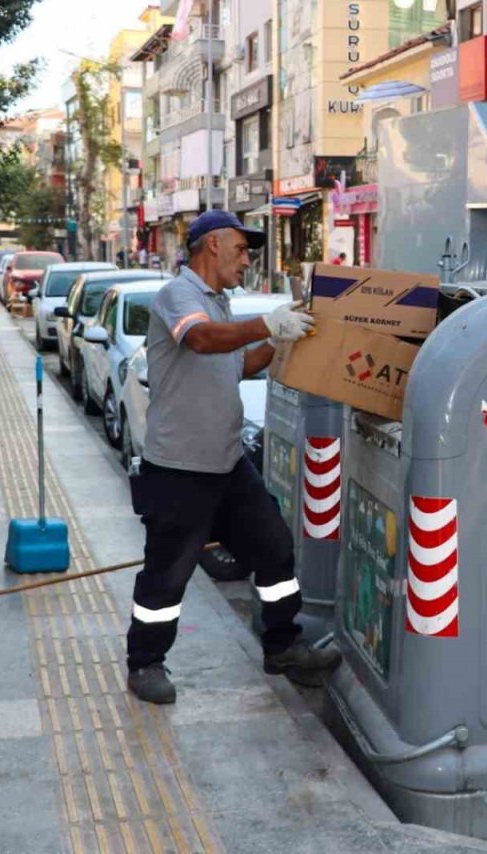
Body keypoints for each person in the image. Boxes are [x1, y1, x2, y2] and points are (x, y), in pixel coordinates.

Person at [126, 209, 339, 704]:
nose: (247, 260)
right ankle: (145, 664)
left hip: (226, 463)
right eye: (241, 250)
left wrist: (282, 339)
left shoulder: (220, 303)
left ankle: (282, 646)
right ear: (212, 245)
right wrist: (267, 321)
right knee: (166, 577)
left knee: (274, 549)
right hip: (179, 469)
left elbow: (239, 363)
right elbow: (201, 340)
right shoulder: (179, 295)